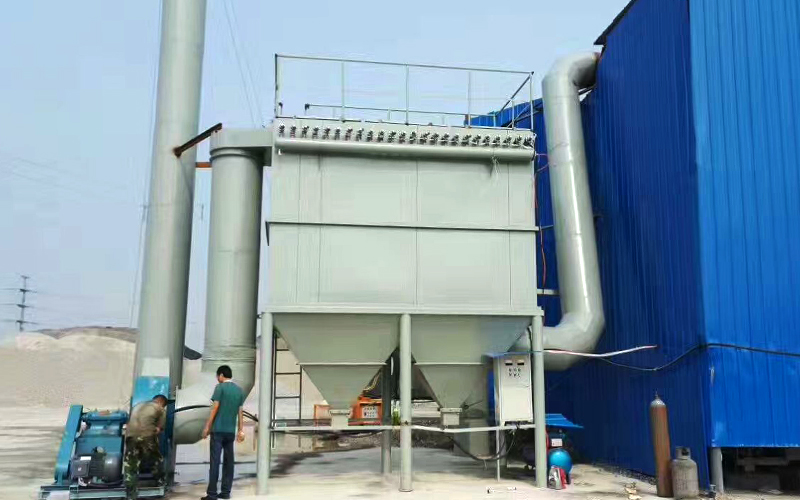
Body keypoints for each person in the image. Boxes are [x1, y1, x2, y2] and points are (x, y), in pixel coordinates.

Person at [201, 365, 245, 500]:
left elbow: (215, 407)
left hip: (218, 431)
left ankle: (212, 494)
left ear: (221, 375)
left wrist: (207, 427)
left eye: (217, 376)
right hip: (230, 432)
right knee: (229, 462)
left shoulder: (219, 388)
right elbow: (240, 412)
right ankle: (226, 492)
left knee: (215, 462)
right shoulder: (239, 390)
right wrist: (241, 430)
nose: (217, 378)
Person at [124, 394, 167, 500]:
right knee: (156, 460)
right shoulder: (160, 409)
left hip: (130, 436)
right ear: (162, 402)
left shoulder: (137, 406)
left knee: (131, 465)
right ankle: (161, 483)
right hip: (147, 436)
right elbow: (159, 429)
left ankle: (131, 495)